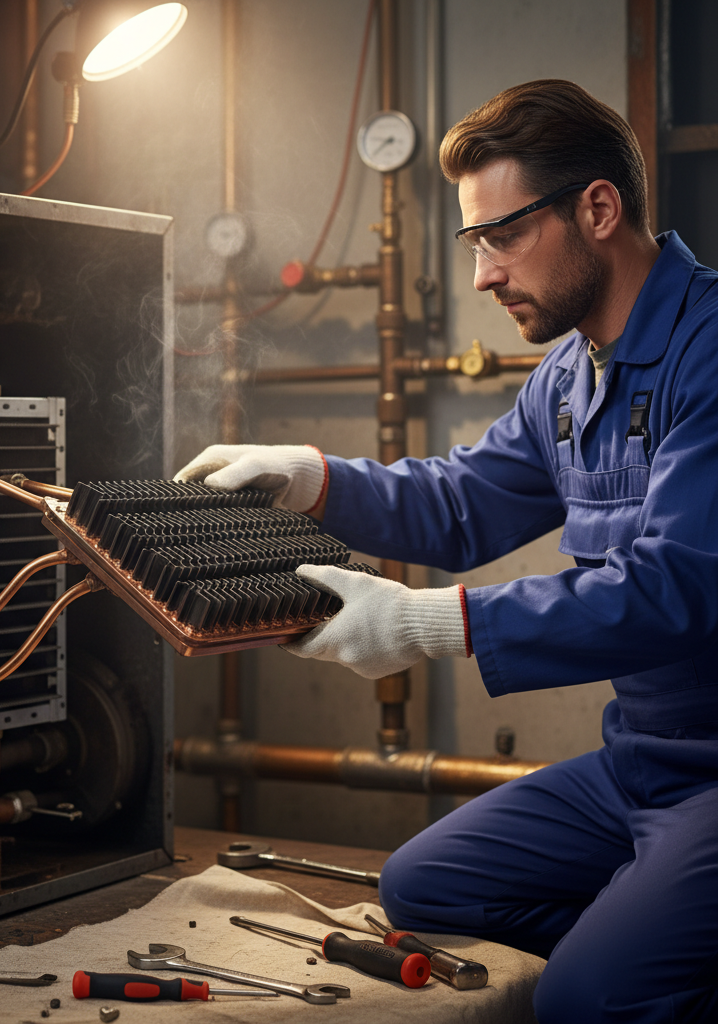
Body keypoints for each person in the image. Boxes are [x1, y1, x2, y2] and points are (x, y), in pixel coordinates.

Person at [175, 80, 718, 1022]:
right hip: (643, 764)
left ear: (597, 209)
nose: (481, 276)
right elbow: (464, 504)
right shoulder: (569, 374)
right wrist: (309, 478)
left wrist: (426, 623)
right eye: (475, 244)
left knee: (582, 1000)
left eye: (500, 236)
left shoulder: (710, 349)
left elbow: (675, 589)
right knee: (423, 886)